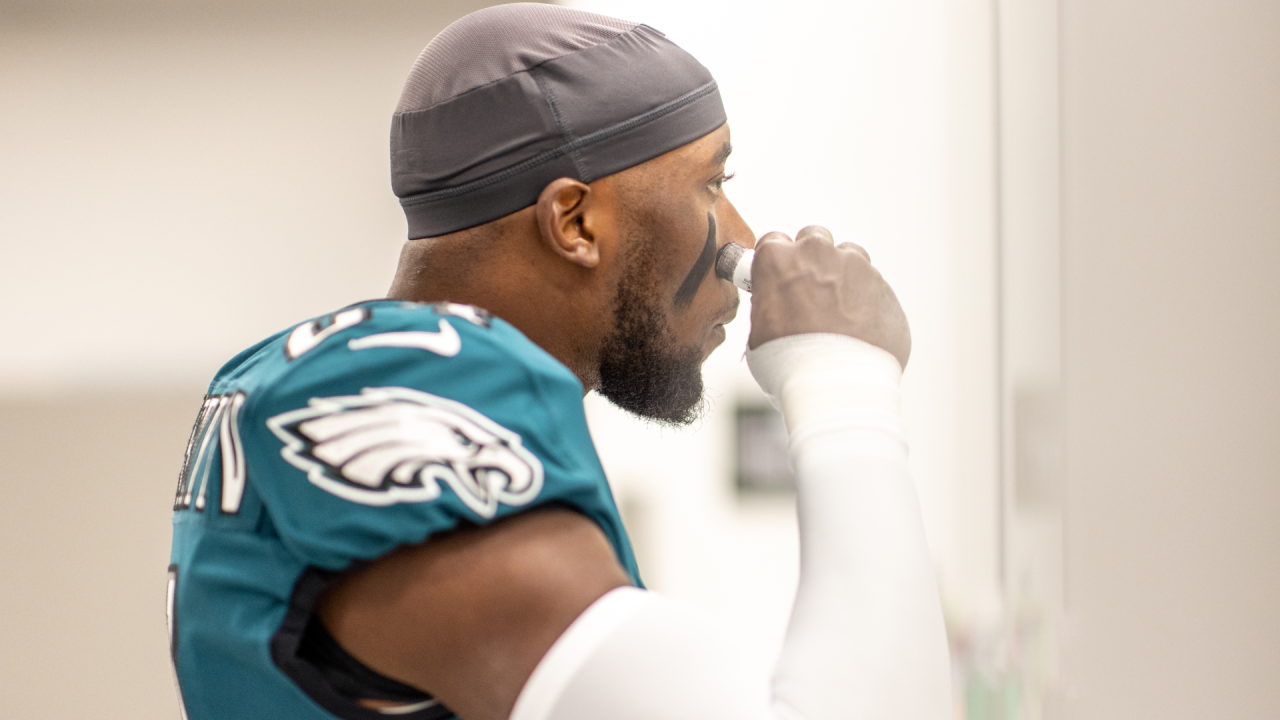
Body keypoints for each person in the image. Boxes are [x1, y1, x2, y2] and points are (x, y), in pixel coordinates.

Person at [166, 4, 950, 720]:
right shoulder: (405, 394)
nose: (740, 236)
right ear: (573, 221)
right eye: (712, 184)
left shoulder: (298, 372)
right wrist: (843, 382)